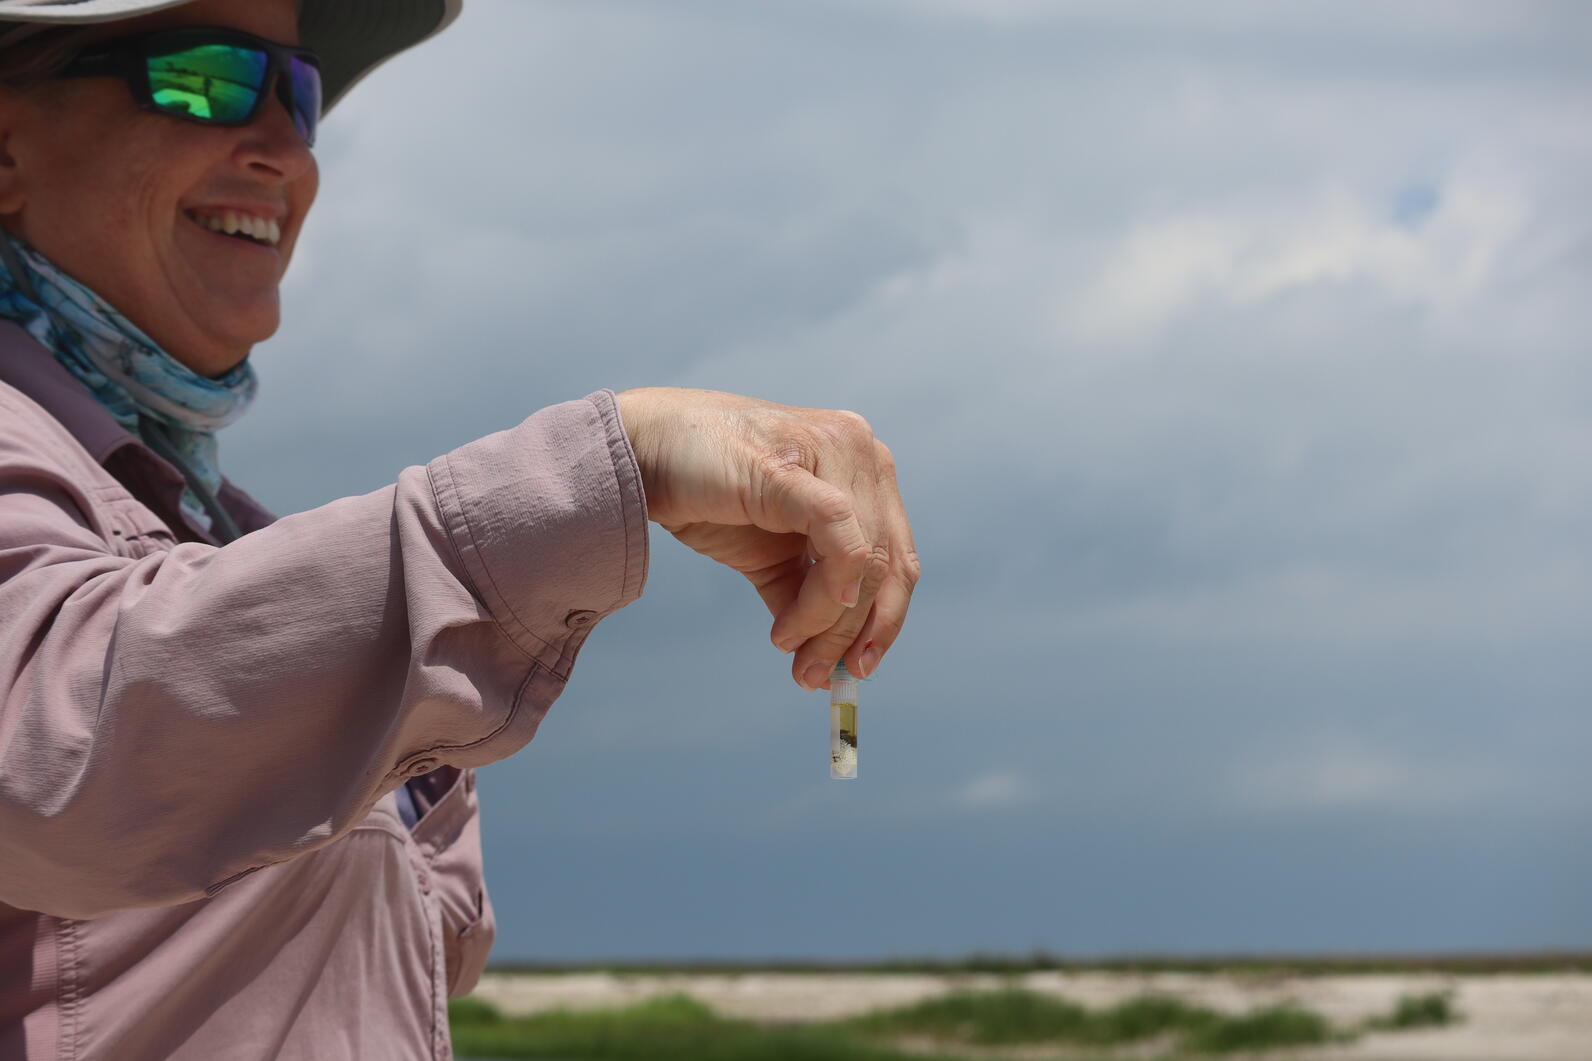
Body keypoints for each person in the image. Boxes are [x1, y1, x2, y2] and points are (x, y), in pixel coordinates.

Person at [0, 0, 920, 1057]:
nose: (280, 149)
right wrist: (610, 465)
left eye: (296, 96)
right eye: (202, 79)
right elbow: (55, 758)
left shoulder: (203, 531)